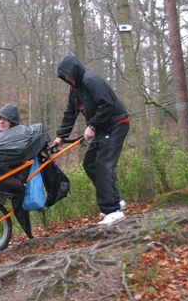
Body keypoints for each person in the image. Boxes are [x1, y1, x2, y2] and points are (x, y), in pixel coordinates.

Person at [52, 55, 130, 226]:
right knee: (90, 163)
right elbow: (70, 113)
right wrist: (61, 136)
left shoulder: (91, 80)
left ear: (75, 70)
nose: (67, 79)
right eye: (64, 77)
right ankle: (115, 200)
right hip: (102, 128)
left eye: (68, 75)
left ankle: (113, 211)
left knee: (103, 163)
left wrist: (93, 126)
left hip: (116, 124)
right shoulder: (75, 90)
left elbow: (107, 104)